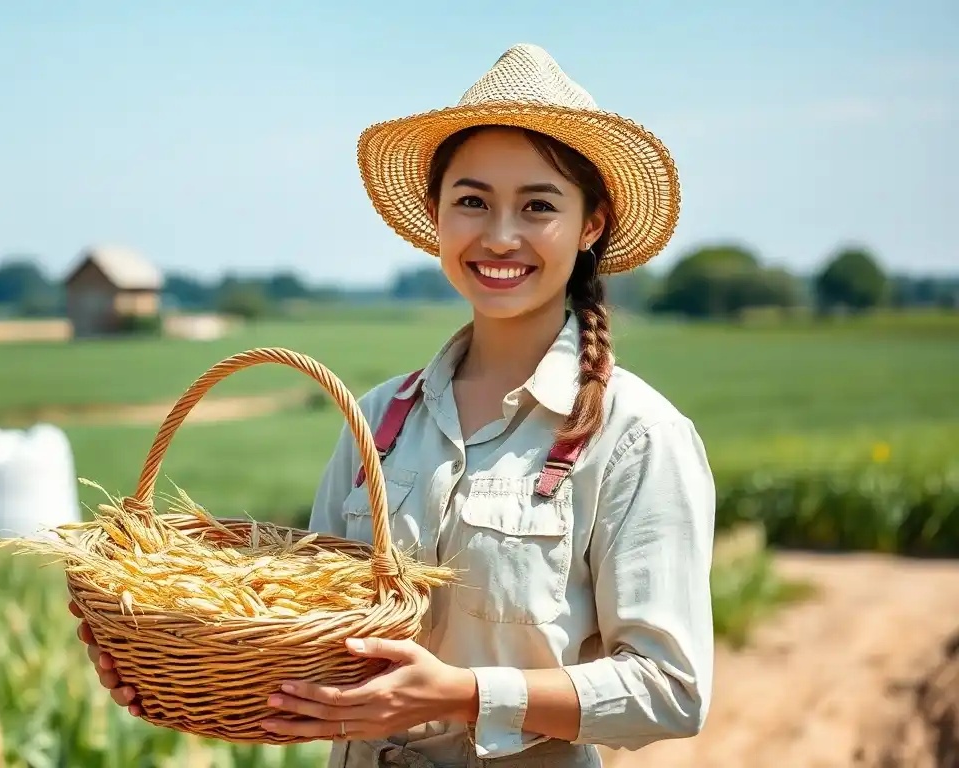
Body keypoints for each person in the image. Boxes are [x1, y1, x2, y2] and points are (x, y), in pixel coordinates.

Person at [71, 43, 715, 768]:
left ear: (591, 224)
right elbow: (307, 638)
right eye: (472, 201)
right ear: (437, 214)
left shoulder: (636, 436)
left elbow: (671, 690)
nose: (500, 236)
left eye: (538, 206)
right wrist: (172, 666)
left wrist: (464, 695)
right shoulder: (377, 420)